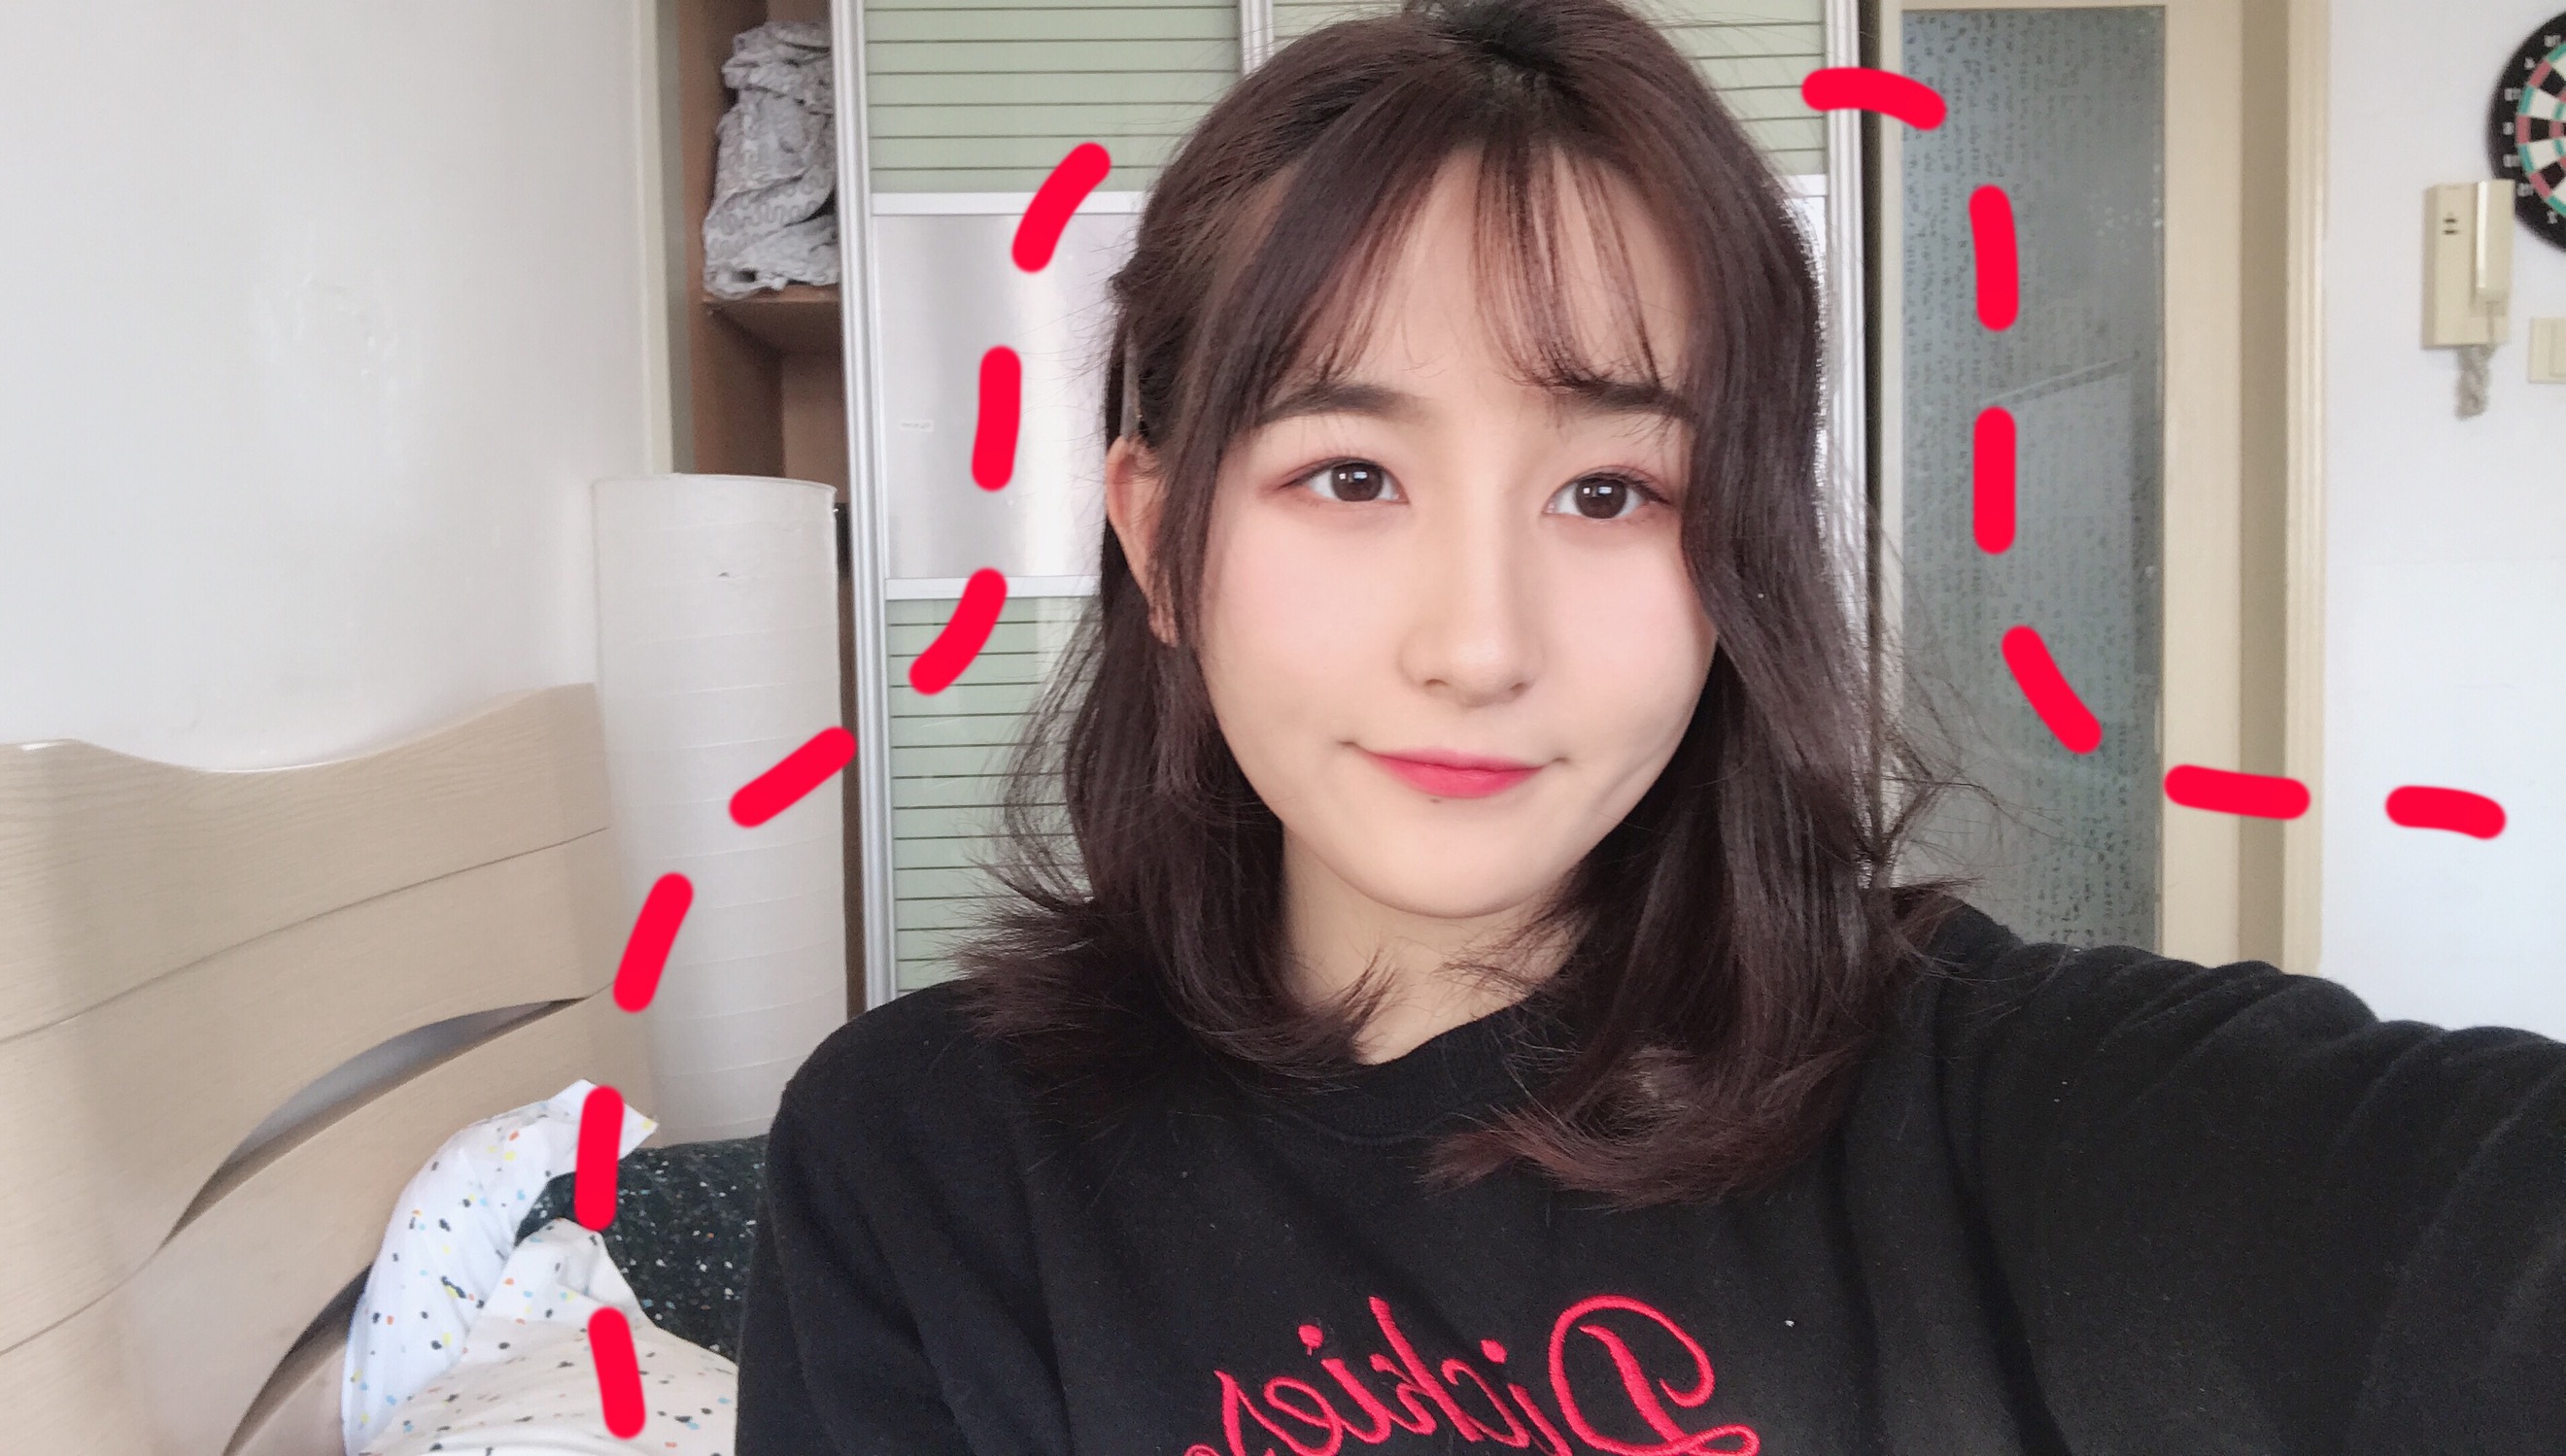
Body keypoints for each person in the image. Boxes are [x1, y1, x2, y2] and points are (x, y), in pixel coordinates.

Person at [736, 0, 2566, 1450]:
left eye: (1610, 491)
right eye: (1349, 473)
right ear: (1156, 539)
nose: (1476, 646)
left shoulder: (2000, 1110)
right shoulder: (925, 1161)